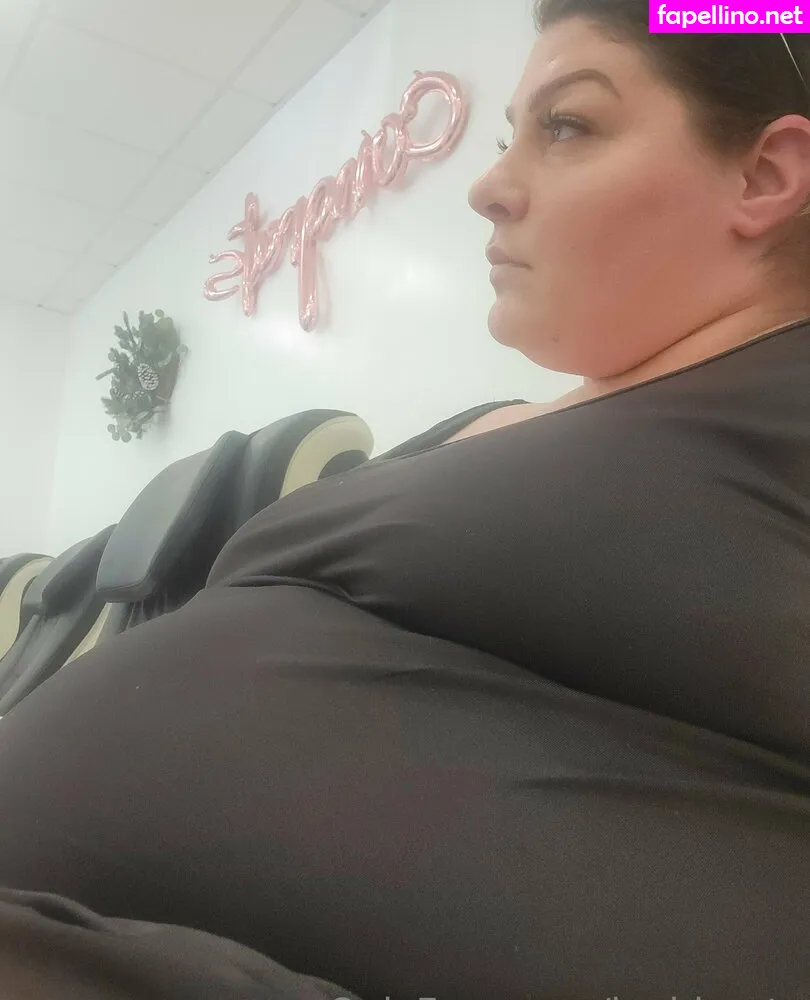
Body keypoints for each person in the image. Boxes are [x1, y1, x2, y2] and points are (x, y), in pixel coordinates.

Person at [1, 2, 810, 997]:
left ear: (765, 175)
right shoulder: (497, 423)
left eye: (567, 125)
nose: (488, 185)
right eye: (509, 134)